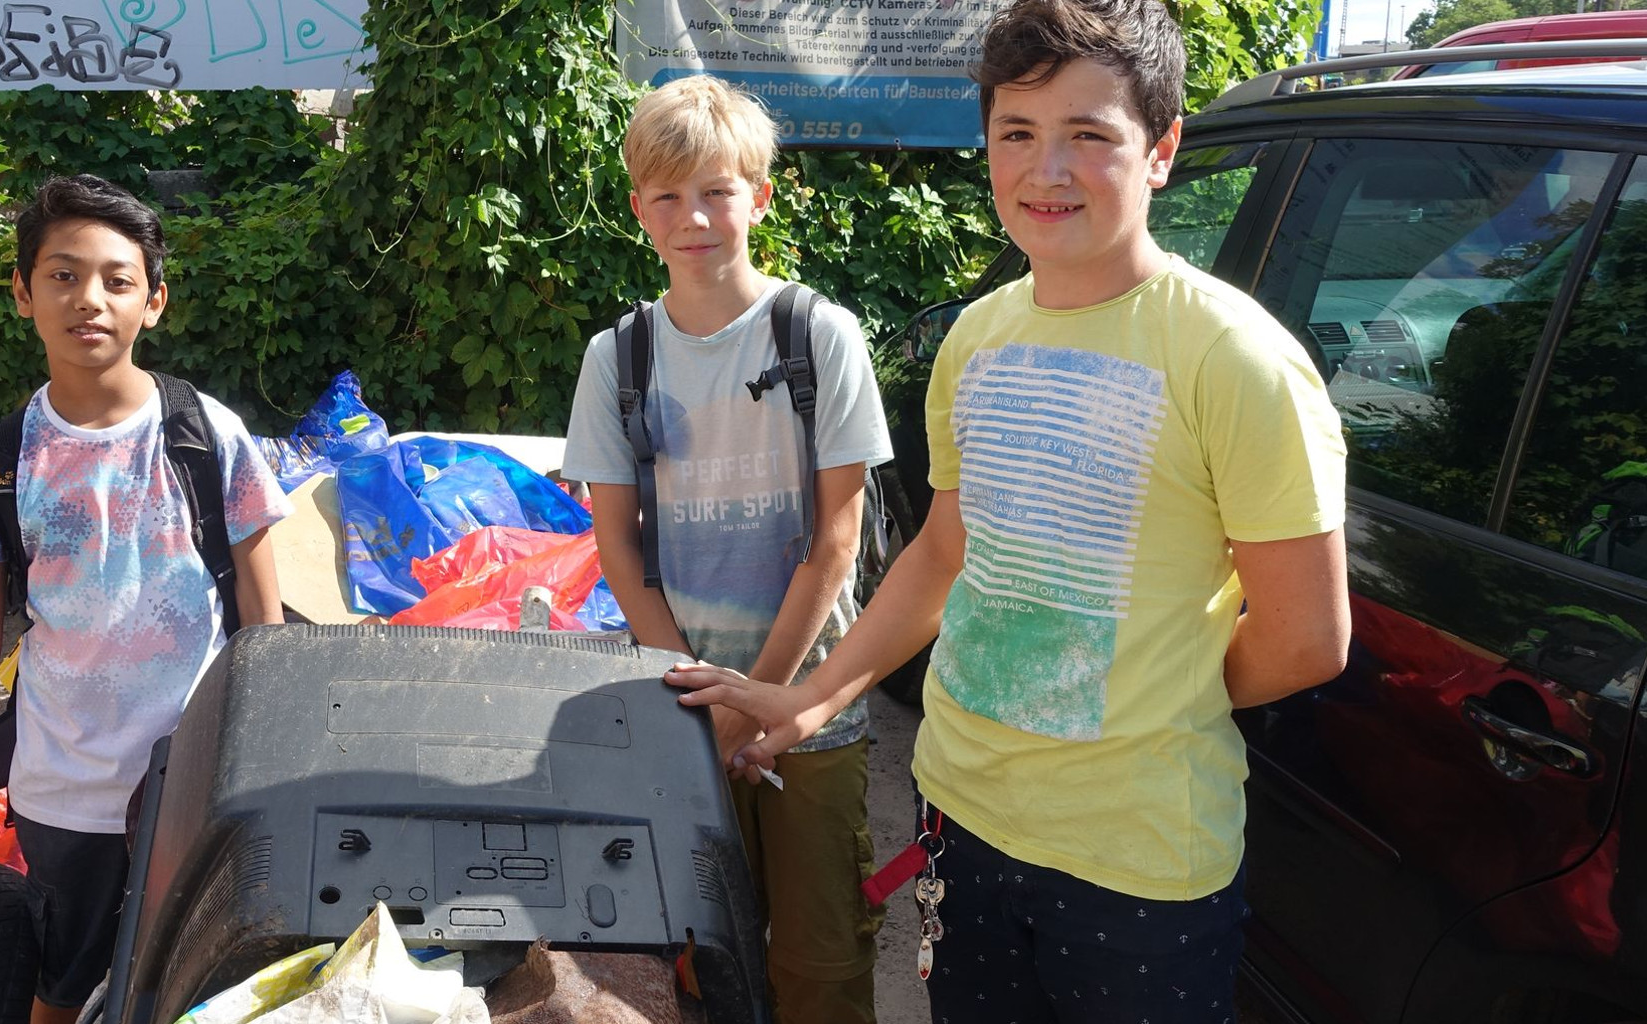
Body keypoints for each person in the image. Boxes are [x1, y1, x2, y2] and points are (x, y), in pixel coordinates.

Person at [668, 1, 1351, 1019]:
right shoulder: (975, 338)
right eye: (1017, 133)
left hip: (1140, 866)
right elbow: (943, 551)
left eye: (1089, 134)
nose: (1047, 170)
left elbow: (1305, 639)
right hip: (961, 818)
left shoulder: (1235, 359)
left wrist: (1151, 691)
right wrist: (810, 699)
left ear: (1161, 150)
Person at [0, 175, 292, 1024]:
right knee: (63, 994)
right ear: (23, 293)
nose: (89, 299)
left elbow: (266, 627)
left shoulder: (206, 436)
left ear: (154, 302)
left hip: (200, 788)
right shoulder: (2, 461)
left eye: (117, 279)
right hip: (64, 796)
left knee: (195, 990)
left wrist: (273, 780)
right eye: (63, 276)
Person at [561, 75, 895, 1023]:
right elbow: (620, 550)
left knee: (823, 963)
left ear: (761, 196)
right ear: (639, 210)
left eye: (716, 190)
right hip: (682, 714)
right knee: (705, 958)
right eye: (668, 196)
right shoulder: (616, 358)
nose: (694, 217)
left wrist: (757, 705)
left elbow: (835, 541)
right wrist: (701, 705)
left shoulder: (818, 336)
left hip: (810, 713)